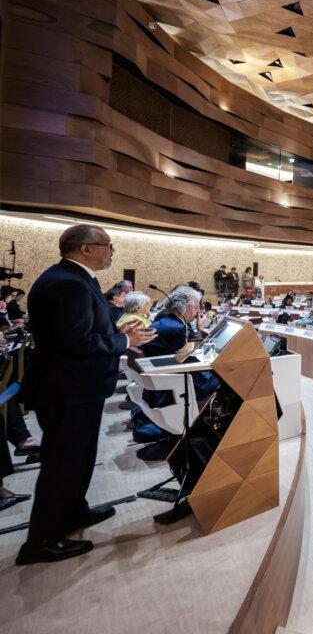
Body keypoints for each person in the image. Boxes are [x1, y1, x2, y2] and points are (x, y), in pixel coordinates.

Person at [17, 224, 157, 565]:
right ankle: (41, 541)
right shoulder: (68, 283)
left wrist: (115, 330)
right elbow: (73, 342)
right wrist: (125, 341)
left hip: (76, 387)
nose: (111, 252)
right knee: (63, 464)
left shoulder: (72, 278)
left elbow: (80, 330)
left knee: (77, 459)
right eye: (107, 246)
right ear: (86, 249)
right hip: (69, 389)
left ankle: (72, 513)